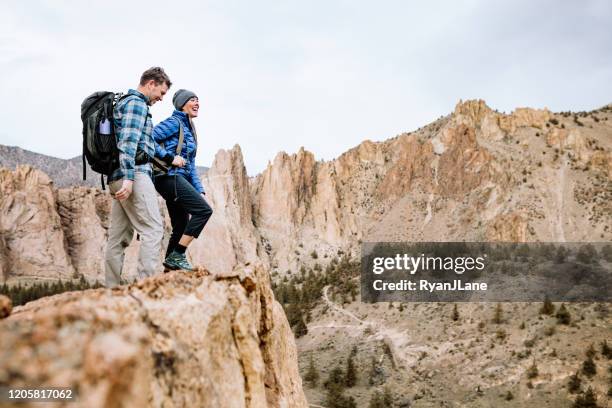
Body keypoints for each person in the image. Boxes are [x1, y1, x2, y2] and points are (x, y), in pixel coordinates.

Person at [104, 67, 172, 287]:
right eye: (161, 93)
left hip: (116, 175)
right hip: (132, 174)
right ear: (150, 83)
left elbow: (146, 144)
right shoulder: (136, 103)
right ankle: (145, 288)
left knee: (118, 238)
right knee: (153, 230)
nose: (161, 99)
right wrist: (130, 178)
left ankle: (111, 289)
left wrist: (169, 157)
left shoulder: (123, 102)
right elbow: (128, 143)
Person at [153, 89, 213, 271]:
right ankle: (178, 255)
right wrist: (170, 158)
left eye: (198, 100)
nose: (197, 103)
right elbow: (147, 139)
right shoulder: (174, 122)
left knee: (180, 226)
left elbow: (191, 164)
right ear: (182, 104)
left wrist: (198, 189)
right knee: (203, 211)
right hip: (169, 177)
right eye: (192, 100)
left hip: (180, 179)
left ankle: (169, 272)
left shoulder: (189, 129)